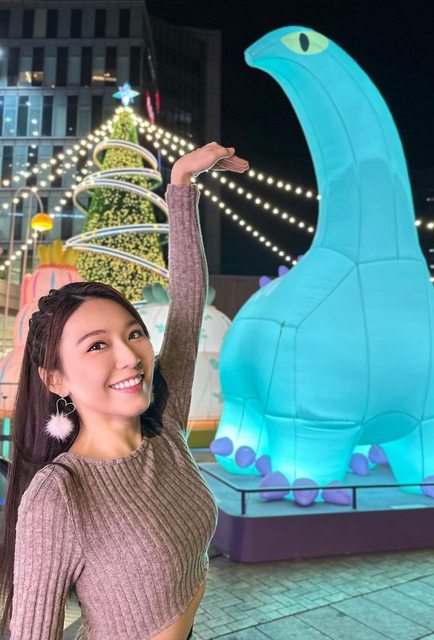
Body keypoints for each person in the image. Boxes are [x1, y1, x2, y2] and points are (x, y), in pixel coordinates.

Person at [0, 143, 249, 640]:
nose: (130, 356)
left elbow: (187, 305)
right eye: (96, 345)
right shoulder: (58, 494)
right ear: (55, 378)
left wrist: (180, 185)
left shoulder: (166, 428)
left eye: (134, 333)